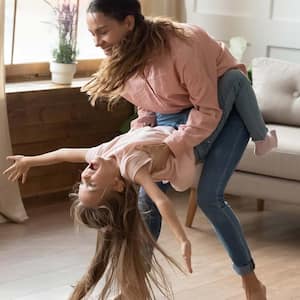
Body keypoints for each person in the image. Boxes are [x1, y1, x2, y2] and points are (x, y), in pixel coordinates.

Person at [81, 1, 278, 299]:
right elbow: (147, 109)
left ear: (129, 23)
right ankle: (136, 286)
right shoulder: (126, 59)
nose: (97, 43)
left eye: (103, 32)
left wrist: (171, 145)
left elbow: (208, 111)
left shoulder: (182, 46)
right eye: (92, 34)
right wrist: (142, 139)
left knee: (210, 198)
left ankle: (250, 280)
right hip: (179, 117)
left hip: (224, 108)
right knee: (148, 196)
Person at [3, 125, 194, 300]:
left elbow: (63, 154)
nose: (85, 175)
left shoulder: (104, 153)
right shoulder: (130, 165)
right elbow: (160, 200)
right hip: (188, 141)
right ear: (117, 184)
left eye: (83, 183)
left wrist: (29, 161)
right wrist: (182, 239)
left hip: (167, 124)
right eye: (92, 184)